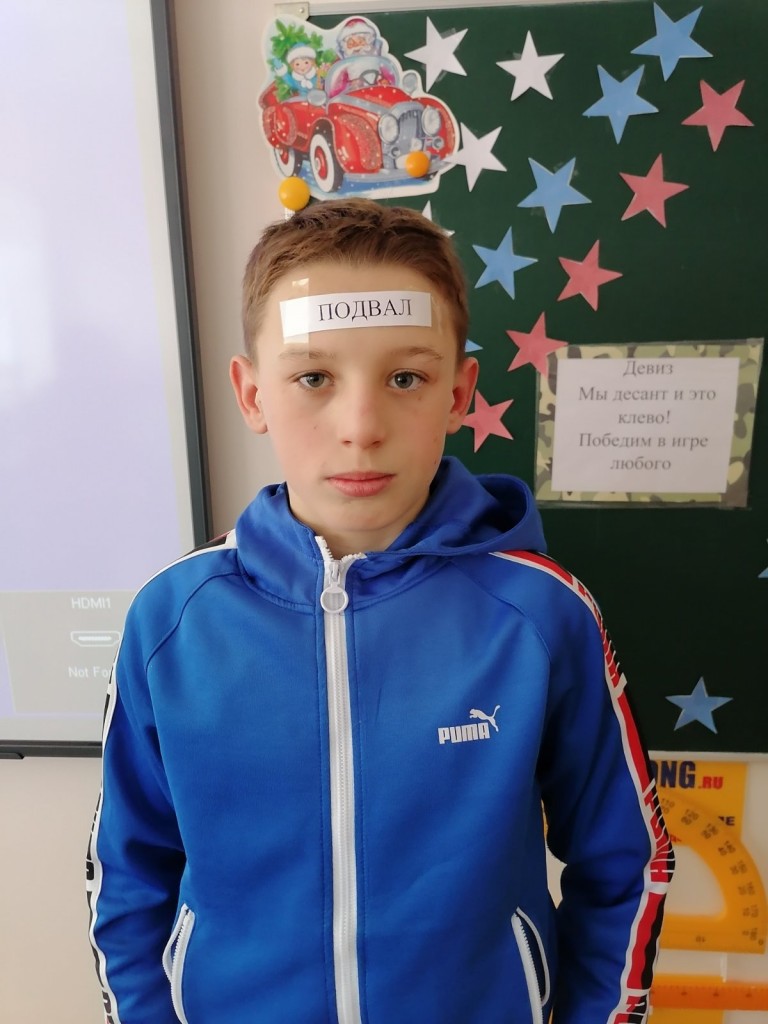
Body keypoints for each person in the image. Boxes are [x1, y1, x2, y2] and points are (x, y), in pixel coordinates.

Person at [86, 198, 673, 1023]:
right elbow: (127, 873)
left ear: (459, 391)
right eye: (313, 378)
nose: (360, 428)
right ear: (252, 394)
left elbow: (626, 862)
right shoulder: (172, 622)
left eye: (405, 378)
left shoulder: (541, 615)